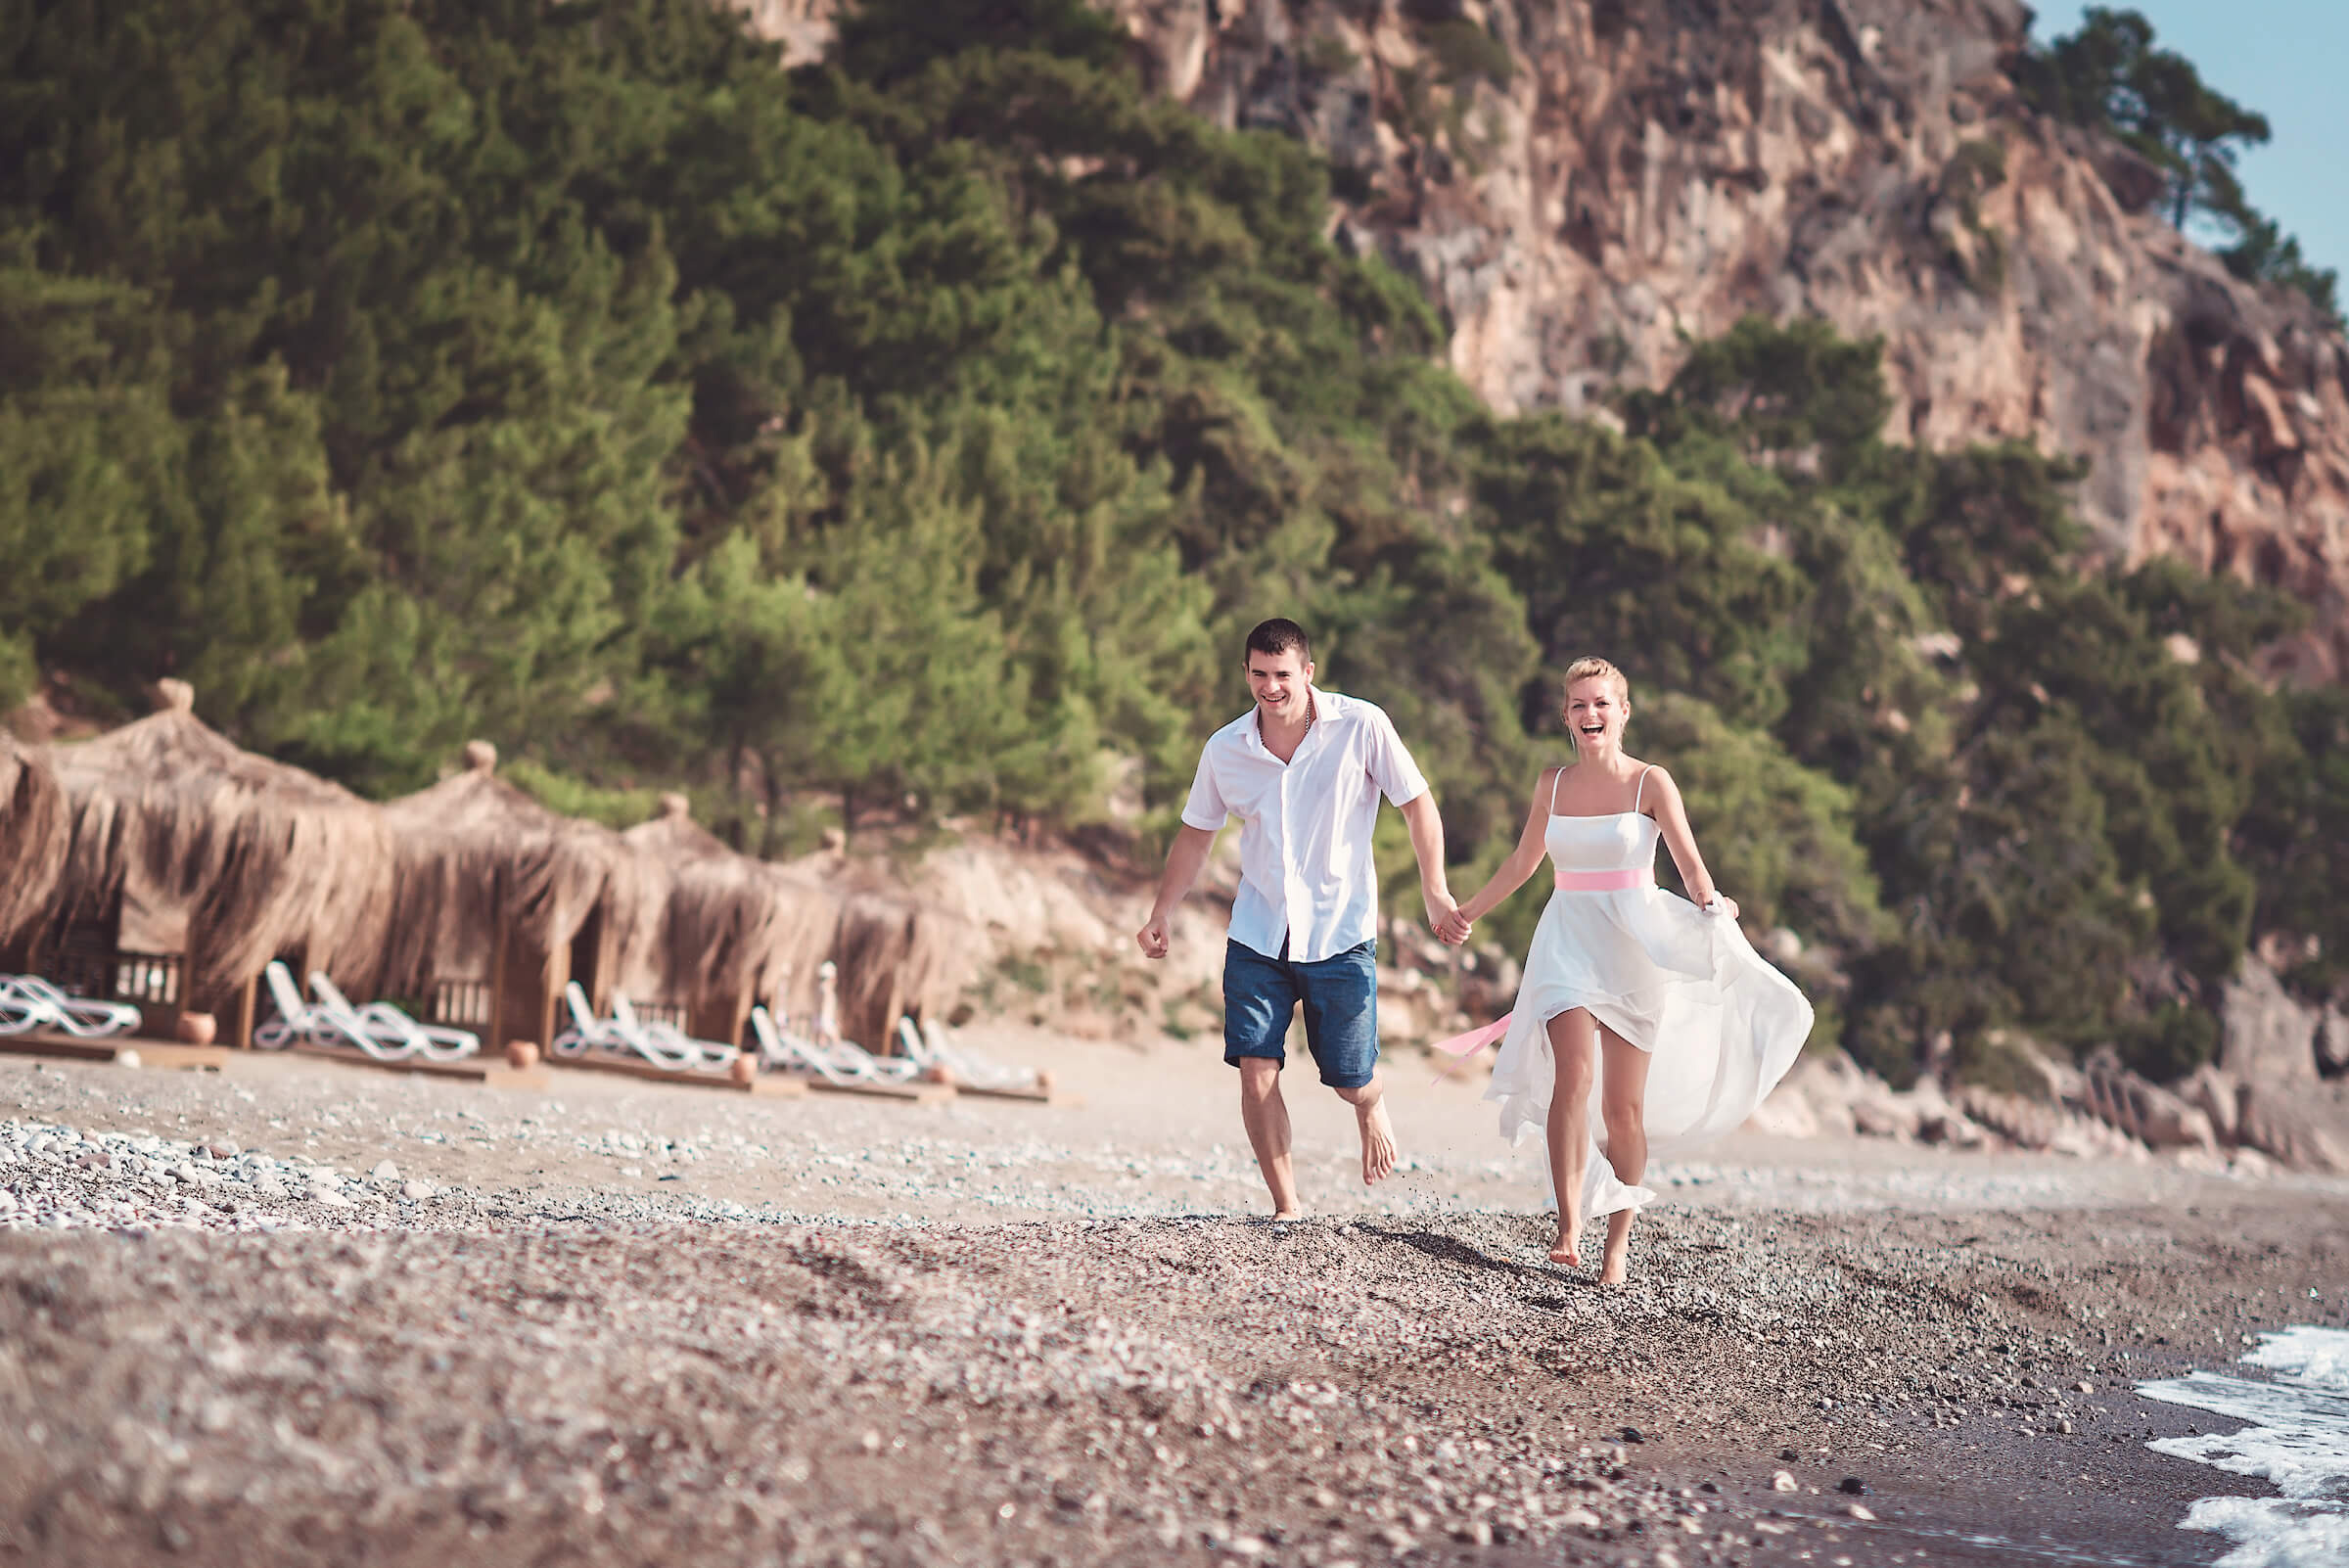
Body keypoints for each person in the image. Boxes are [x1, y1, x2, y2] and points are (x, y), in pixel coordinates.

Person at [1437, 657, 1812, 1283]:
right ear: (1565, 716)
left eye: (1602, 704)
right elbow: (1524, 863)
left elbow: (1691, 867)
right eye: (1579, 705)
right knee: (1572, 1077)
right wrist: (1464, 911)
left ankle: (1617, 1241)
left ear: (1623, 712)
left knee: (1623, 1112)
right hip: (1566, 941)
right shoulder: (1551, 785)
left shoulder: (1651, 784)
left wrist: (1713, 905)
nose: (1590, 715)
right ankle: (1568, 1225)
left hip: (1633, 949)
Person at [1135, 619, 1457, 1219]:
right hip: (1258, 932)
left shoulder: (1361, 725)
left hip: (1341, 932)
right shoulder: (1225, 749)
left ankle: (1369, 1104)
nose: (1270, 688)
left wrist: (1434, 890)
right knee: (1256, 1067)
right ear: (1246, 672)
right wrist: (1163, 910)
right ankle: (1288, 1207)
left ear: (1308, 673)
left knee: (1348, 1079)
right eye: (1259, 674)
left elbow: (1417, 805)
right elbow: (1195, 835)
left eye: (1283, 675)